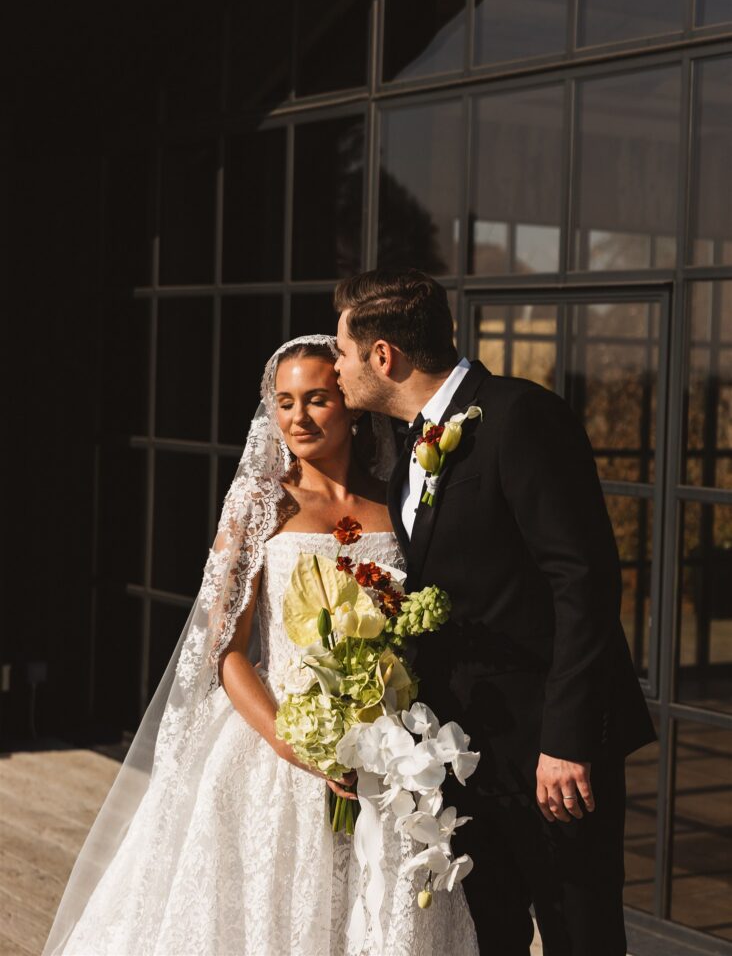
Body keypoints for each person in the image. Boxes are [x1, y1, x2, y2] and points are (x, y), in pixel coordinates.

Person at [42, 334, 479, 956]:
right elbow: (226, 651)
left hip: (384, 749)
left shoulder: (397, 500)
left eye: (318, 399)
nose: (298, 417)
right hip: (277, 746)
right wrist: (299, 746)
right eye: (285, 402)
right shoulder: (259, 503)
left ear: (353, 405)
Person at [333, 269, 657, 956]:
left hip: (553, 754)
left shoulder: (518, 416)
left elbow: (585, 581)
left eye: (342, 353)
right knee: (493, 933)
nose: (337, 370)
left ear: (383, 356)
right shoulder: (405, 450)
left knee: (580, 936)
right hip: (466, 749)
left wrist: (566, 741)